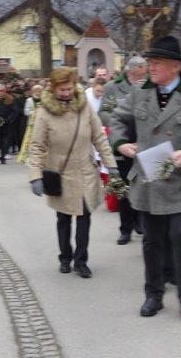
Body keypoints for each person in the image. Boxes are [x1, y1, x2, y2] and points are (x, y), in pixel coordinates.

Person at [109, 36, 181, 324]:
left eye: (157, 63)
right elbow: (116, 118)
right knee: (152, 240)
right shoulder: (139, 92)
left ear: (175, 67)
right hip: (149, 179)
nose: (151, 68)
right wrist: (121, 143)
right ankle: (153, 294)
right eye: (150, 63)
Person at [27, 67, 118, 278]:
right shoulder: (44, 113)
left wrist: (111, 165)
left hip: (86, 171)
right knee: (64, 218)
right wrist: (35, 176)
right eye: (62, 90)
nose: (67, 93)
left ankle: (81, 260)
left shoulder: (84, 107)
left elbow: (99, 138)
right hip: (60, 174)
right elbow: (37, 147)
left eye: (69, 89)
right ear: (53, 88)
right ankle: (65, 257)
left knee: (85, 217)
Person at [99, 57, 147, 244]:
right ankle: (125, 229)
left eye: (144, 73)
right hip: (122, 143)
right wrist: (118, 120)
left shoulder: (149, 85)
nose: (142, 77)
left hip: (143, 142)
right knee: (125, 187)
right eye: (139, 73)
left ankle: (139, 221)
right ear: (130, 71)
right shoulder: (112, 87)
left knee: (143, 185)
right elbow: (103, 113)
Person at [17, 84, 44, 163]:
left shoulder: (44, 100)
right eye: (37, 91)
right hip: (32, 124)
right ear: (33, 92)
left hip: (42, 123)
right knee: (30, 140)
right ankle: (28, 156)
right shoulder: (29, 100)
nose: (38, 93)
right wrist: (36, 112)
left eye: (40, 91)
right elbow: (26, 112)